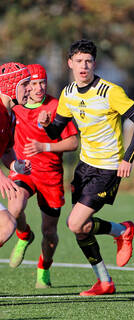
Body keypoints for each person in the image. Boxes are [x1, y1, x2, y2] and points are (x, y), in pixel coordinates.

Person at [37, 39, 134, 296]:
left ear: (94, 64)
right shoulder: (67, 94)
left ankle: (123, 230)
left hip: (108, 167)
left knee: (75, 223)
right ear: (70, 63)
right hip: (84, 166)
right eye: (78, 61)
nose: (83, 66)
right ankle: (104, 281)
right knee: (82, 228)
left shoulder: (110, 91)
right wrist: (46, 124)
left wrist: (128, 158)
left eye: (88, 61)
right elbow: (57, 131)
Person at [7, 64, 78, 289]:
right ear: (25, 85)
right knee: (15, 207)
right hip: (24, 170)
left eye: (42, 83)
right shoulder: (15, 106)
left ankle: (44, 269)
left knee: (49, 232)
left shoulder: (56, 105)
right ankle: (24, 234)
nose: (38, 88)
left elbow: (73, 142)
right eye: (33, 83)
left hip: (50, 176)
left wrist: (44, 146)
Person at [0, 62, 32, 247]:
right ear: (11, 86)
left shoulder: (10, 115)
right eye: (25, 84)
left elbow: (5, 151)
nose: (30, 89)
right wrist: (2, 178)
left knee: (7, 225)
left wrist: (15, 165)